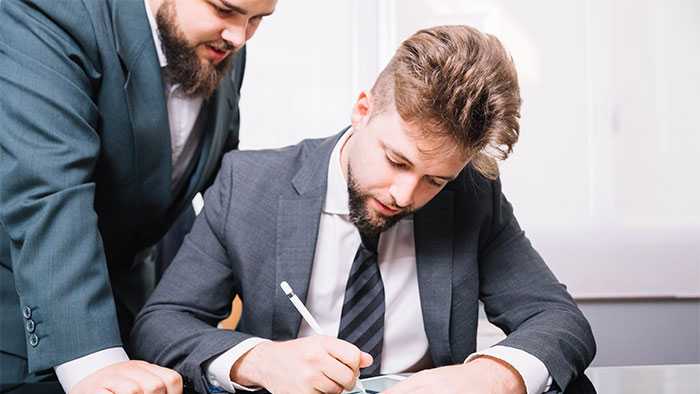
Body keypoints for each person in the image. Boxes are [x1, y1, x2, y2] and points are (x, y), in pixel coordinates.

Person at [130, 25, 596, 394]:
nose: (404, 194)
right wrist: (259, 360)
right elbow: (161, 324)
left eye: (436, 179)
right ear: (362, 108)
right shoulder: (249, 184)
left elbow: (558, 320)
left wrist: (492, 376)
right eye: (396, 160)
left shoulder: (471, 196)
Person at [0, 0, 276, 392]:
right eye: (224, 9)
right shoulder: (51, 13)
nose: (239, 36)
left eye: (257, 20)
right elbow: (49, 190)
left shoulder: (223, 49)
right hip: (24, 325)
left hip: (133, 315)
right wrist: (93, 362)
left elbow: (222, 192)